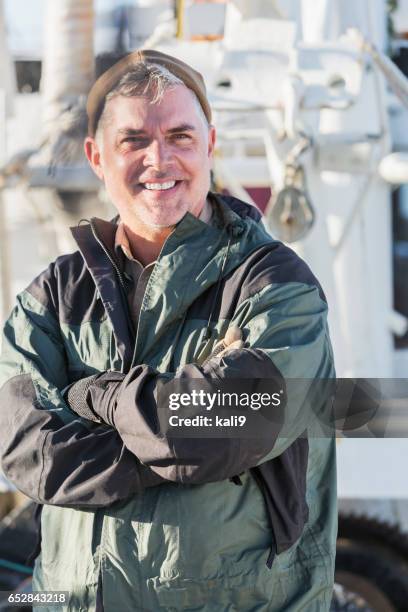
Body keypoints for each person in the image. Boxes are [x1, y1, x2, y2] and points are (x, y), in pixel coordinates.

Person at [0, 49, 337, 611]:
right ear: (97, 157)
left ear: (209, 145)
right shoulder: (53, 297)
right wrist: (170, 436)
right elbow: (23, 447)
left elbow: (232, 426)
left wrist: (99, 400)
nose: (159, 159)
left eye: (180, 136)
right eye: (133, 140)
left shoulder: (277, 287)